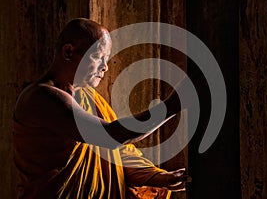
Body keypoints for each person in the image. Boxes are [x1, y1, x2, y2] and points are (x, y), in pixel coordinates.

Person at [13, 18, 189, 199]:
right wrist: (174, 104)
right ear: (68, 52)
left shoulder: (88, 97)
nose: (105, 67)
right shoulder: (41, 98)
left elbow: (117, 154)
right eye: (98, 57)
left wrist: (157, 177)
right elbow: (111, 136)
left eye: (107, 58)